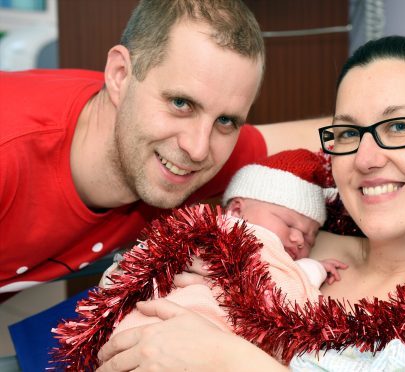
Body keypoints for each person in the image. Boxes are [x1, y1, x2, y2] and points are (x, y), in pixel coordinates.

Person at [96, 35, 405, 371]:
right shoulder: (281, 238)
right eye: (347, 134)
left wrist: (234, 362)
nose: (366, 158)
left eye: (399, 127)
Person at [0, 0, 324, 299]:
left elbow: (331, 135)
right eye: (181, 103)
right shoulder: (10, 152)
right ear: (120, 75)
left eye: (226, 120)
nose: (197, 150)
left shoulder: (190, 148)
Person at [52, 148, 347, 369]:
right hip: (153, 323)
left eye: (309, 238)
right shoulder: (220, 231)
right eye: (291, 225)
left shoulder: (281, 261)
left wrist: (311, 269)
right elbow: (148, 256)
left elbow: (285, 296)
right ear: (237, 210)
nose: (299, 239)